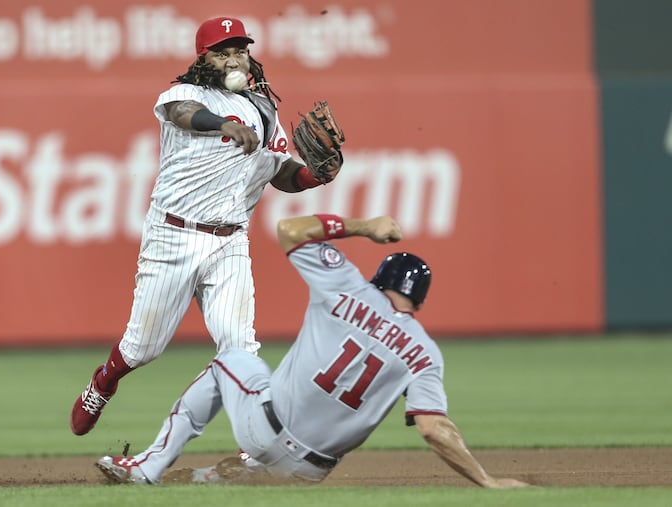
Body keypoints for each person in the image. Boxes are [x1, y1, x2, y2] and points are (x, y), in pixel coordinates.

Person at [95, 214, 530, 489]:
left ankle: (148, 468)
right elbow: (435, 429)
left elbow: (290, 230)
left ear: (381, 280)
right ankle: (206, 480)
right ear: (420, 301)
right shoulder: (424, 352)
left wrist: (363, 228)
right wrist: (487, 481)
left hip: (264, 430)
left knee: (228, 360)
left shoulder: (348, 286)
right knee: (249, 478)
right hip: (311, 474)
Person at [70, 17, 341, 436]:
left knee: (241, 350)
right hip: (173, 235)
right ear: (204, 58)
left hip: (230, 241)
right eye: (222, 51)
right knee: (143, 348)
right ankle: (104, 381)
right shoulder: (185, 93)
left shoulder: (264, 108)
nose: (233, 58)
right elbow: (184, 114)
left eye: (239, 49)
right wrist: (223, 124)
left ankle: (252, 443)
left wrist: (312, 177)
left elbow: (279, 172)